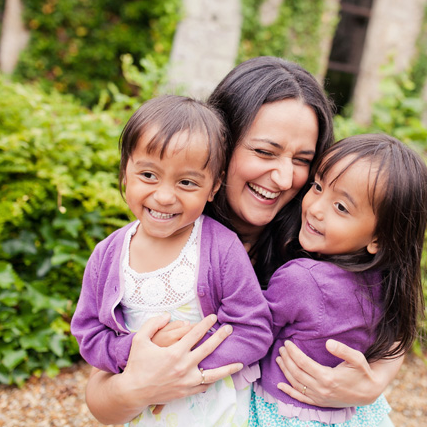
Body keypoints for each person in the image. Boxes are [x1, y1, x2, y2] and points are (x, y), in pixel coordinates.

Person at [84, 57, 406, 425]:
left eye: (302, 160)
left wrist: (373, 382)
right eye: (265, 152)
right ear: (218, 148)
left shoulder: (319, 243)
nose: (284, 178)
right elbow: (100, 396)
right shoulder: (167, 241)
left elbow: (393, 302)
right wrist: (141, 386)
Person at [71, 94, 273, 425]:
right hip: (146, 414)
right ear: (125, 171)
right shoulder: (108, 255)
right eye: (148, 175)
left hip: (215, 413)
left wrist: (186, 361)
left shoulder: (220, 247)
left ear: (213, 187)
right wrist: (137, 352)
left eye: (187, 182)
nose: (164, 196)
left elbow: (254, 328)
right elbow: (89, 332)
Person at [250, 134, 427, 426]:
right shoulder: (385, 285)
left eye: (341, 208)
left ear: (379, 238)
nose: (315, 208)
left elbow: (251, 333)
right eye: (318, 187)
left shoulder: (302, 279)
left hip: (285, 415)